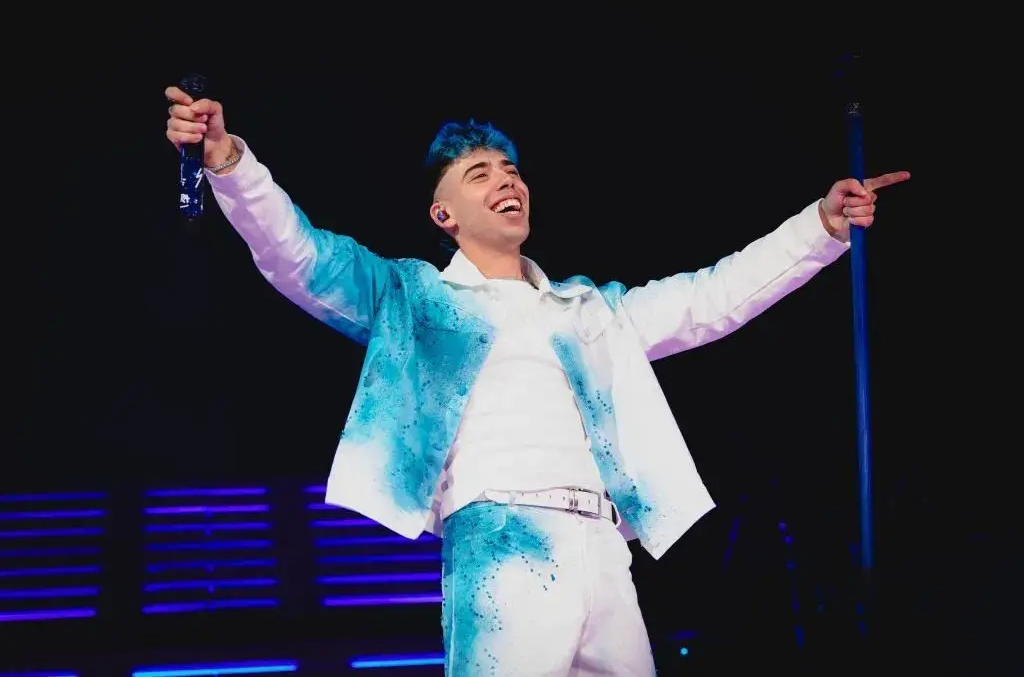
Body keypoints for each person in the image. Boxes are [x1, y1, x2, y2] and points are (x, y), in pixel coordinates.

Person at [164, 85, 909, 676]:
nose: (506, 181)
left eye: (512, 170)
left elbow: (710, 298)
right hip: (502, 540)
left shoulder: (589, 310)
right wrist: (230, 162)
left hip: (604, 547)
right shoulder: (417, 297)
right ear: (443, 213)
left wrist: (820, 227)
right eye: (480, 174)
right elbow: (300, 254)